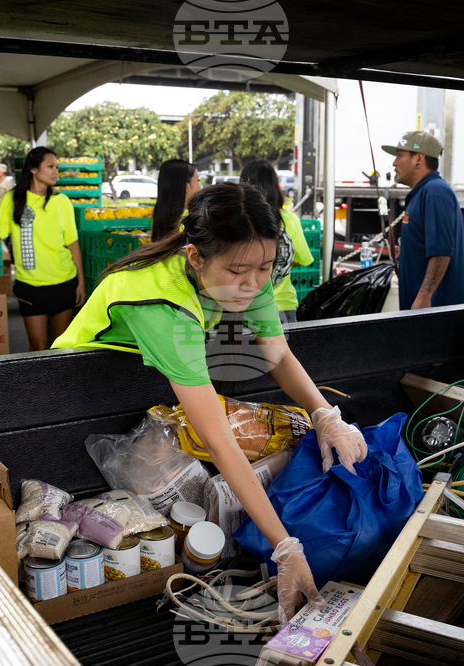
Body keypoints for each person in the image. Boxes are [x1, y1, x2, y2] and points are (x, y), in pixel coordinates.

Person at [51, 183, 367, 623]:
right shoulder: (162, 306)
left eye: (266, 267)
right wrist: (285, 547)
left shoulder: (245, 272)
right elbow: (217, 439)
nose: (253, 284)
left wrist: (324, 414)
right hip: (71, 401)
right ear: (195, 257)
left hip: (150, 388)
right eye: (240, 271)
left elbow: (277, 353)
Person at [0, 147, 85, 351]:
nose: (56, 172)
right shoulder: (12, 200)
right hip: (29, 287)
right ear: (34, 169)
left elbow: (73, 245)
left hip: (64, 283)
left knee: (59, 347)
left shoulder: (61, 202)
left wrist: (80, 282)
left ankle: (58, 385)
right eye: (50, 166)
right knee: (37, 346)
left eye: (57, 167)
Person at [383, 131, 464, 310]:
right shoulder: (423, 193)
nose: (394, 163)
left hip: (435, 312)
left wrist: (424, 295)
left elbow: (441, 252)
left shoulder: (435, 193)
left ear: (419, 160)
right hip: (424, 310)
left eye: (399, 156)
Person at [240, 160, 314, 322]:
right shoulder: (289, 220)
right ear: (274, 186)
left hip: (246, 307)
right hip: (284, 306)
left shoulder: (238, 220)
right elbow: (303, 259)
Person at [150, 159, 201, 242]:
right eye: (197, 181)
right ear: (186, 187)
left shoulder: (159, 216)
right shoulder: (189, 220)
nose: (200, 187)